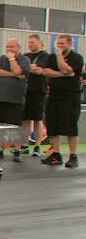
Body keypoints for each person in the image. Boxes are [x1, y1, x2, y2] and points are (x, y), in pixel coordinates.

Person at [41, 34, 83, 168]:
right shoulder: (51, 57)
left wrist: (59, 57)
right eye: (58, 44)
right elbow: (46, 71)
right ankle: (56, 154)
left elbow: (67, 69)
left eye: (62, 44)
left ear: (70, 44)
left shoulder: (76, 58)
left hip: (70, 98)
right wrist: (62, 74)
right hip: (54, 97)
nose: (59, 46)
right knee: (53, 127)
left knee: (71, 127)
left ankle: (73, 156)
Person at [0, 39, 31, 161]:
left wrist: (12, 59)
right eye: (7, 46)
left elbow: (18, 70)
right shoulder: (2, 58)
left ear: (18, 48)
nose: (9, 49)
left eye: (12, 47)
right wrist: (14, 74)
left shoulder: (24, 60)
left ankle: (18, 150)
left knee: (15, 126)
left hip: (15, 98)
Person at [21, 34, 49, 157]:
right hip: (26, 90)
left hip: (38, 90)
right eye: (29, 42)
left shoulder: (45, 56)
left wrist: (30, 68)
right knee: (26, 119)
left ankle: (37, 146)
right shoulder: (25, 56)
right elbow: (21, 69)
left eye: (33, 42)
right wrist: (30, 68)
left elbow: (39, 71)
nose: (31, 44)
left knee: (37, 119)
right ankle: (25, 145)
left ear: (39, 42)